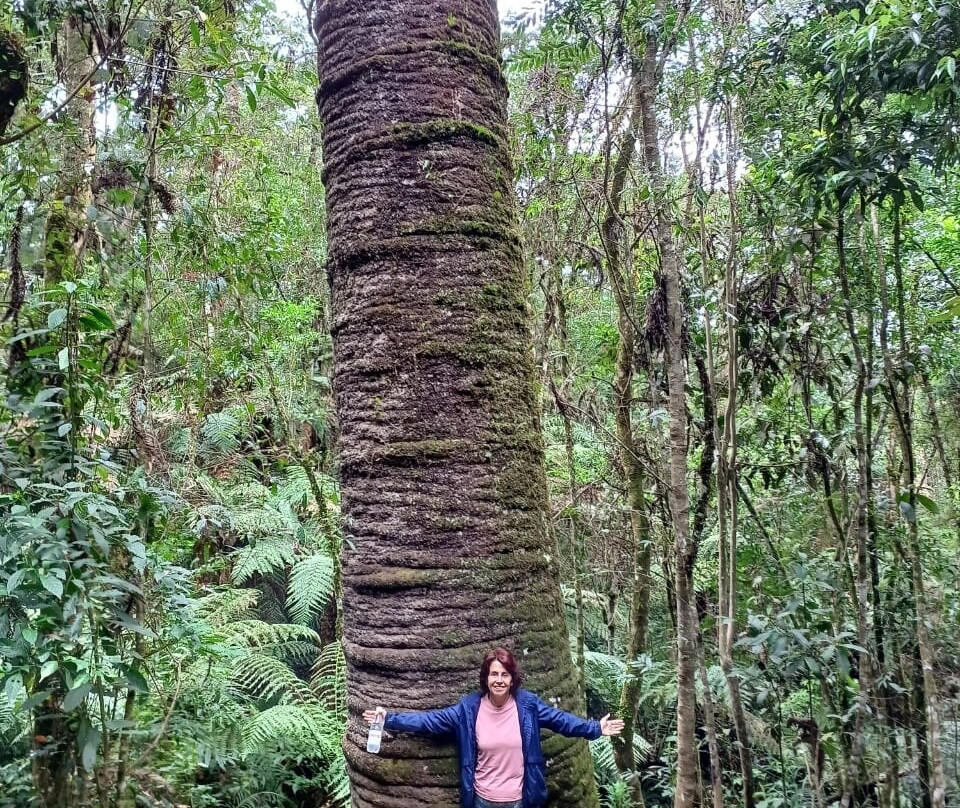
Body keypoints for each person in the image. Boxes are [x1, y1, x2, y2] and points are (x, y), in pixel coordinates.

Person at [362, 646, 624, 808]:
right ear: (486, 679)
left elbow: (561, 721)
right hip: (482, 800)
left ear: (512, 679)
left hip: (522, 799)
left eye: (504, 674)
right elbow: (429, 722)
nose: (499, 680)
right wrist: (388, 718)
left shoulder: (528, 705)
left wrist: (595, 729)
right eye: (494, 674)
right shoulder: (468, 710)